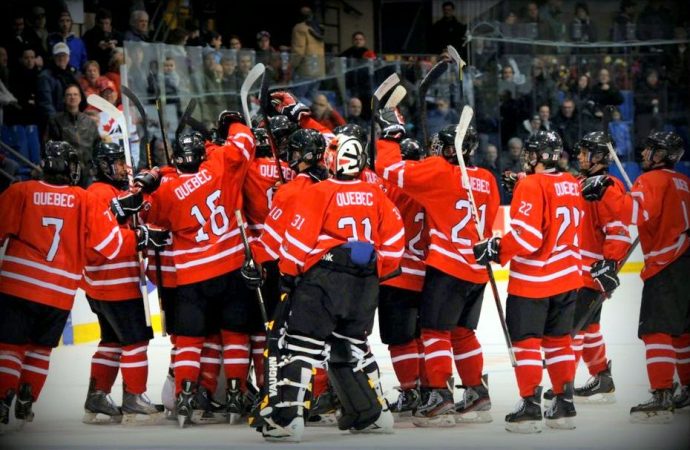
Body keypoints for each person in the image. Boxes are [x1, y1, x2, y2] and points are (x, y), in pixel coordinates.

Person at [0, 141, 158, 430]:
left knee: (11, 349)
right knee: (42, 350)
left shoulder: (20, 190)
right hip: (68, 291)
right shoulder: (83, 198)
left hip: (19, 286)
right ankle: (28, 400)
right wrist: (140, 237)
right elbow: (106, 243)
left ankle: (5, 401)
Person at [256, 133, 404, 442]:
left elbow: (298, 240)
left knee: (301, 345)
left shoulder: (320, 192)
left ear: (335, 160)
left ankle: (287, 420)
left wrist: (288, 274)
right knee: (352, 345)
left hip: (324, 278)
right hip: (365, 280)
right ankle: (375, 413)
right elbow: (394, 237)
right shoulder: (375, 193)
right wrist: (379, 267)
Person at [376, 110, 500, 427]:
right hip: (478, 269)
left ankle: (439, 396)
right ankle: (476, 391)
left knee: (433, 332)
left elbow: (386, 168)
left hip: (448, 267)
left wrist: (389, 135)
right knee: (462, 332)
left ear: (444, 150)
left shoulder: (437, 172)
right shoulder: (486, 178)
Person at [144, 117, 257, 427]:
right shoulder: (219, 163)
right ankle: (236, 393)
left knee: (191, 340)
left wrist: (155, 178)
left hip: (191, 279)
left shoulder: (167, 193)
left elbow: (151, 218)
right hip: (231, 267)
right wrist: (231, 125)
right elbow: (245, 143)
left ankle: (185, 397)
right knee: (235, 335)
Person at [474, 130, 584, 433]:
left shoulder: (533, 185)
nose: (528, 157)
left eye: (531, 153)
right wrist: (523, 184)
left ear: (538, 156)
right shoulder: (571, 183)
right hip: (566, 278)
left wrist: (496, 249)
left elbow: (528, 236)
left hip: (534, 280)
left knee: (527, 344)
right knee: (560, 342)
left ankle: (530, 407)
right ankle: (564, 406)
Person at [581, 130, 690, 421]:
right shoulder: (684, 181)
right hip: (685, 261)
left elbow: (631, 213)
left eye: (650, 149)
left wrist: (606, 189)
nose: (643, 153)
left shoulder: (653, 180)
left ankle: (662, 394)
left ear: (663, 155)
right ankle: (687, 390)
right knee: (682, 331)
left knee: (656, 330)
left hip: (666, 264)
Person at [82, 142, 167, 424]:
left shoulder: (113, 192)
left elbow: (130, 217)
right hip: (114, 281)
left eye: (123, 161)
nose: (123, 167)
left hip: (105, 284)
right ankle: (134, 398)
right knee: (135, 340)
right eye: (117, 162)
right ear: (103, 165)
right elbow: (105, 240)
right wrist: (139, 237)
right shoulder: (97, 194)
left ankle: (97, 396)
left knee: (112, 340)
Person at [552, 132, 630, 405]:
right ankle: (602, 377)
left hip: (591, 271)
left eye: (586, 152)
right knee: (590, 326)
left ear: (600, 156)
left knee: (572, 329)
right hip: (576, 268)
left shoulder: (609, 186)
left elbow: (618, 230)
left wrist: (609, 264)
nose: (580, 157)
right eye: (581, 152)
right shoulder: (580, 181)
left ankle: (564, 384)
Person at [377, 137, 428, 417]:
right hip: (428, 274)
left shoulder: (392, 189)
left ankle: (410, 391)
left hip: (397, 274)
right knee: (420, 336)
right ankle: (427, 389)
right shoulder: (432, 188)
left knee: (399, 338)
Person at [47, 84, 100, 182]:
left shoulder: (89, 122)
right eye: (69, 95)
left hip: (87, 173)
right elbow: (49, 147)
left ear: (80, 98)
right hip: (66, 173)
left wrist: (94, 167)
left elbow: (97, 146)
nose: (72, 97)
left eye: (75, 94)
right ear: (64, 99)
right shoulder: (55, 121)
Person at [37, 43, 81, 126]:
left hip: (72, 120)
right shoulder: (45, 76)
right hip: (54, 122)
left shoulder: (73, 74)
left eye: (64, 55)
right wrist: (57, 122)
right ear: (53, 58)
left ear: (68, 57)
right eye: (58, 56)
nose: (61, 58)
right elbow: (46, 103)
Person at [290, 6, 325, 100]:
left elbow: (299, 51)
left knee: (298, 98)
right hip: (319, 70)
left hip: (305, 69)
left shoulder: (299, 28)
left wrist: (292, 66)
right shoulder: (318, 28)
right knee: (312, 99)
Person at [82, 9, 123, 73]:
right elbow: (85, 53)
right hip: (96, 69)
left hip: (113, 70)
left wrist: (114, 49)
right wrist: (97, 47)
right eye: (101, 23)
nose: (104, 26)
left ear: (110, 22)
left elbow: (123, 56)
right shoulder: (89, 35)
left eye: (106, 23)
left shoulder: (118, 35)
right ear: (97, 23)